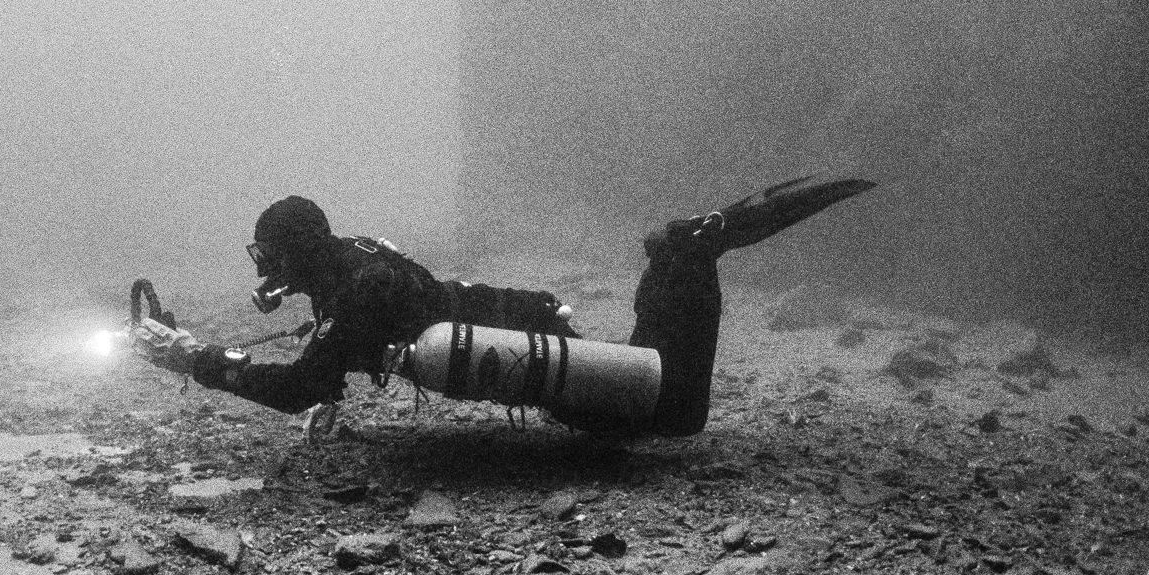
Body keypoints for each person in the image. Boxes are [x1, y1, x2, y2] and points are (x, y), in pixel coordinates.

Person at [134, 177, 874, 436]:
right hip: (518, 315)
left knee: (674, 411)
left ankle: (690, 250)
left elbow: (302, 385)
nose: (266, 272)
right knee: (647, 396)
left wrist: (194, 360)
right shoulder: (348, 263)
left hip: (525, 332)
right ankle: (679, 255)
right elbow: (336, 355)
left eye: (270, 257)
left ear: (294, 251)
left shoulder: (354, 289)